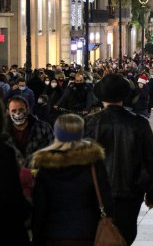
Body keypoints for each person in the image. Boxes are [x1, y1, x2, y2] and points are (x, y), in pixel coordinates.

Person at [84, 74, 153, 244]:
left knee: (102, 235)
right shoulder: (139, 123)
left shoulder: (90, 123)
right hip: (130, 190)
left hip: (97, 192)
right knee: (125, 235)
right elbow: (152, 160)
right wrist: (152, 194)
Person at [31, 114, 112, 246]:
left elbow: (40, 206)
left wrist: (37, 237)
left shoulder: (45, 165)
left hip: (53, 234)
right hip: (87, 232)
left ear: (56, 134)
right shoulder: (93, 162)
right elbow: (106, 199)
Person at [0, 100, 31, 245]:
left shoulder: (41, 128)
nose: (18, 114)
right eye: (13, 111)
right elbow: (13, 196)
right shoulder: (4, 152)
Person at [7, 95, 54, 167]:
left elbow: (54, 153)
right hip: (11, 176)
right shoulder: (3, 132)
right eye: (13, 110)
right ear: (8, 112)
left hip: (39, 175)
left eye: (21, 109)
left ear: (27, 110)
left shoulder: (44, 127)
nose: (18, 113)